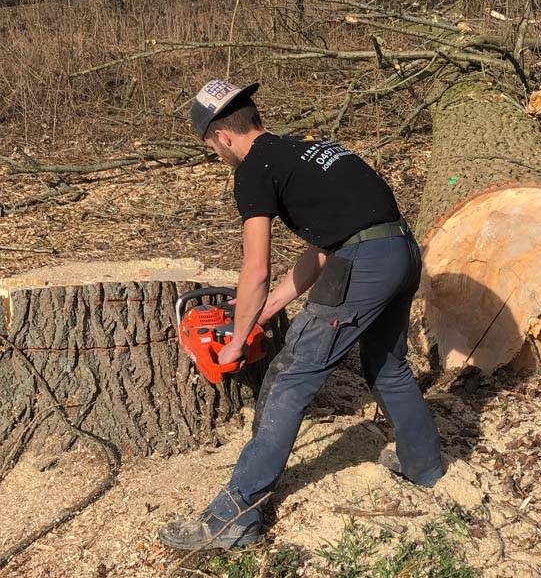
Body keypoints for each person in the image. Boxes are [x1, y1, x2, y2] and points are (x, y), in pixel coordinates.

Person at [159, 79, 444, 550]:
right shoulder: (308, 150)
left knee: (288, 378)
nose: (218, 157)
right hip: (402, 251)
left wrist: (235, 341)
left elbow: (255, 268)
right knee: (388, 367)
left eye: (213, 149)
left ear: (223, 137)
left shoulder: (253, 169)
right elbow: (324, 245)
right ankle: (425, 467)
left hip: (365, 264)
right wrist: (273, 303)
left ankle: (234, 518)